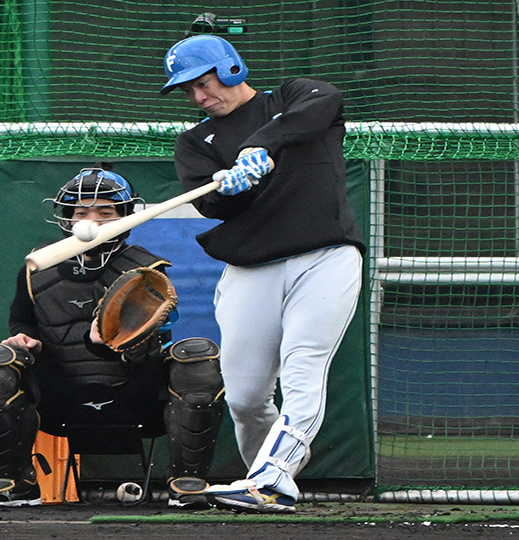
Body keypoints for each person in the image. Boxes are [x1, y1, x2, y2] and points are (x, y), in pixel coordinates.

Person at [159, 35, 366, 513]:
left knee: (303, 365)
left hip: (325, 257)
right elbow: (210, 204)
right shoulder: (195, 142)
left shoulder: (291, 98)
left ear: (230, 68)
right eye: (187, 91)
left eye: (201, 82)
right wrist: (233, 188)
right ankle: (264, 481)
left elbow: (325, 103)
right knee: (247, 396)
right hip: (251, 268)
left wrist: (261, 143)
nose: (198, 96)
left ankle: (273, 478)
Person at [0, 164, 225, 508]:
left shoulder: (147, 271)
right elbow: (22, 321)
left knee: (197, 355)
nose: (92, 220)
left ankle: (186, 483)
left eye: (105, 212)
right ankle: (16, 485)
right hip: (58, 396)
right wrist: (24, 340)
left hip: (135, 397)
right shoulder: (37, 266)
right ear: (67, 218)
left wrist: (103, 342)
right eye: (82, 212)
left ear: (125, 217)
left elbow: (145, 349)